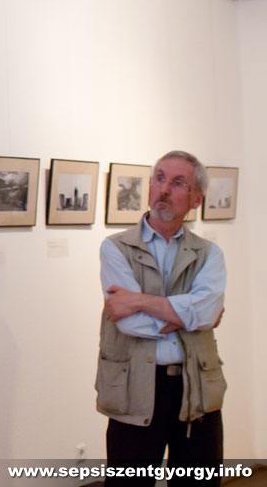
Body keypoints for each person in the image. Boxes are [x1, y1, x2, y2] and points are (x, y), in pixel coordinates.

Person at [96, 151, 227, 486]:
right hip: (134, 387)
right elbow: (128, 322)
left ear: (196, 200)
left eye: (178, 183)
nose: (164, 189)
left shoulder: (209, 254)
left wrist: (140, 301)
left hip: (195, 388)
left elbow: (207, 311)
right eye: (160, 178)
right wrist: (188, 316)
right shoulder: (116, 248)